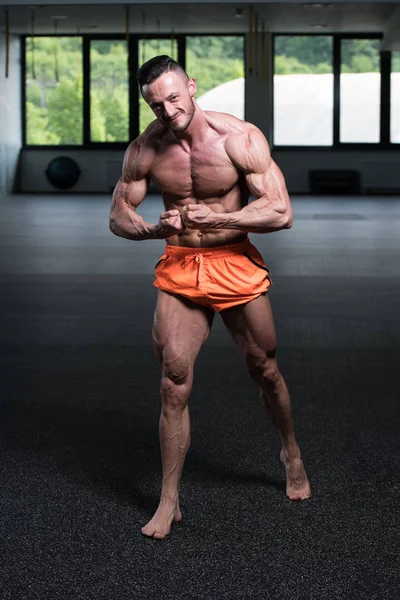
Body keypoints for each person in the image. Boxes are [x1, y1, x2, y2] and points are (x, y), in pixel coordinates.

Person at [109, 55, 311, 540]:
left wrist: (219, 220)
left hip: (235, 262)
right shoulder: (145, 150)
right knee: (173, 380)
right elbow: (118, 215)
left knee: (265, 368)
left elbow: (280, 211)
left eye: (174, 96)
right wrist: (156, 228)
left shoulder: (238, 137)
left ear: (192, 87)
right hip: (180, 266)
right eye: (156, 103)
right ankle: (169, 499)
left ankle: (291, 450)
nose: (168, 109)